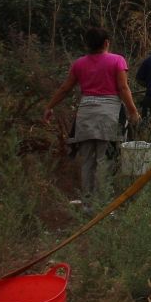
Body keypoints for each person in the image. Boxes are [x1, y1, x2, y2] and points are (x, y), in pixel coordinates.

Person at [42, 26, 141, 203]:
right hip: (109, 113)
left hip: (85, 113)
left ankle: (87, 201)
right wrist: (133, 111)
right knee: (106, 159)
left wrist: (49, 107)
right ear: (106, 43)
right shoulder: (117, 60)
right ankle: (102, 202)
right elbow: (123, 88)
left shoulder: (79, 63)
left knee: (87, 159)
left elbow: (65, 88)